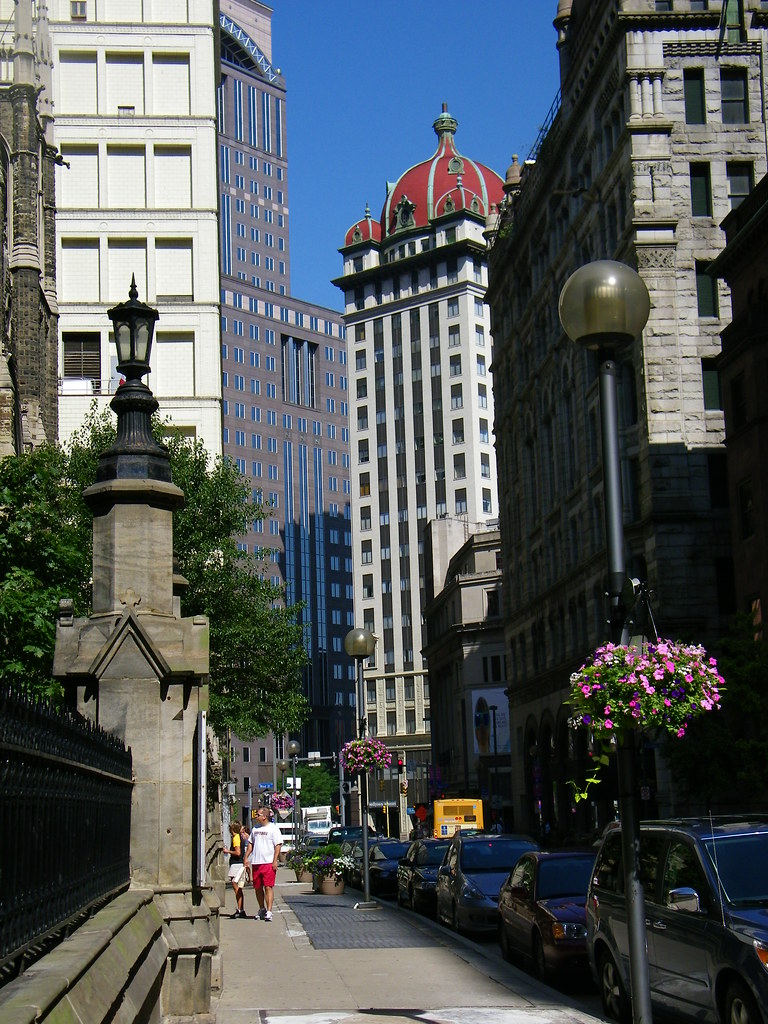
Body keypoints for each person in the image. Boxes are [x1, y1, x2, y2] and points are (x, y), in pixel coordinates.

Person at [245, 806, 282, 921]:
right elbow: (251, 843)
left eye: (258, 815)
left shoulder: (273, 829)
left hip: (268, 862)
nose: (256, 816)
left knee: (268, 887)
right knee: (257, 887)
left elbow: (278, 845)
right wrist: (246, 857)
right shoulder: (255, 829)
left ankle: (269, 911)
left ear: (264, 817)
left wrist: (275, 861)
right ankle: (262, 908)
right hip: (256, 862)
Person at [223, 820, 248, 918]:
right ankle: (240, 909)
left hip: (236, 864)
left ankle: (240, 909)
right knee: (237, 886)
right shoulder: (238, 837)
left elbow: (237, 852)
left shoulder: (236, 838)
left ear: (232, 828)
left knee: (236, 887)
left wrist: (227, 851)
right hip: (237, 864)